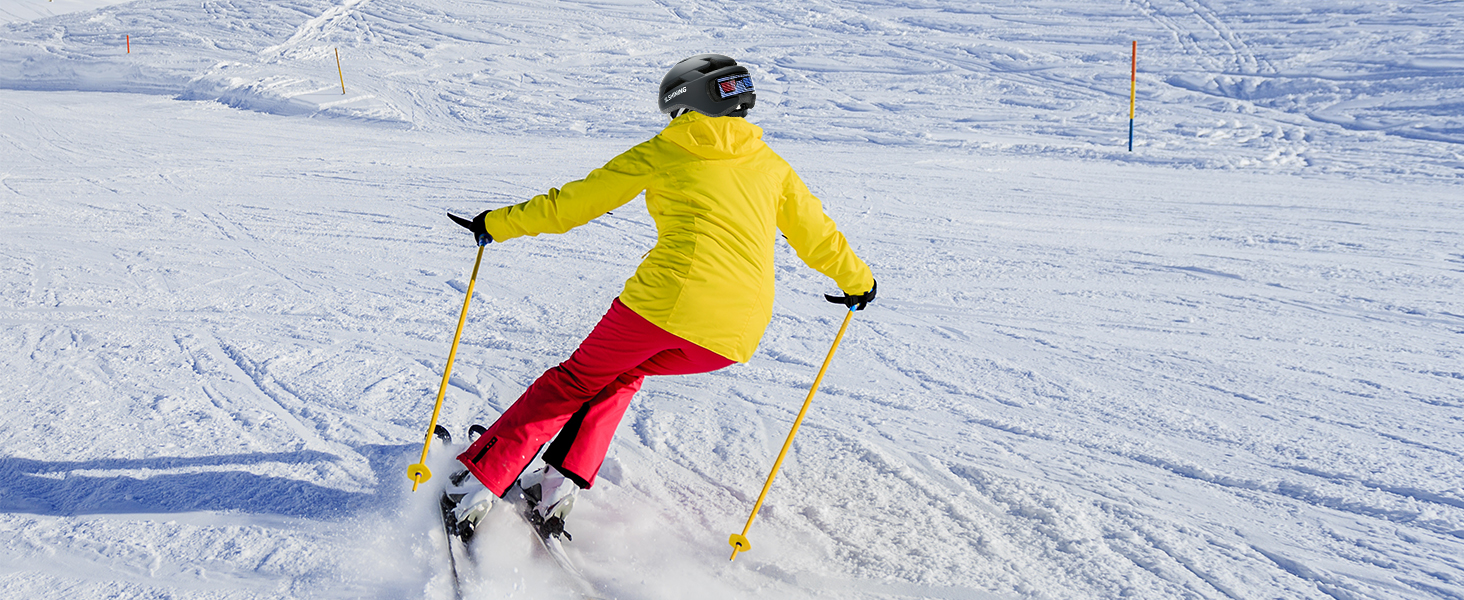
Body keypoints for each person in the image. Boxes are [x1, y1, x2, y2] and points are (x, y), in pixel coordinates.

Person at [442, 54, 876, 542]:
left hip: (663, 307)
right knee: (621, 374)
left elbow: (574, 204)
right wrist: (858, 282)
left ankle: (477, 482)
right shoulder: (772, 166)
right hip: (734, 334)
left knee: (572, 382)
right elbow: (818, 235)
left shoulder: (663, 151)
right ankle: (557, 484)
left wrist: (495, 224)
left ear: (685, 106)